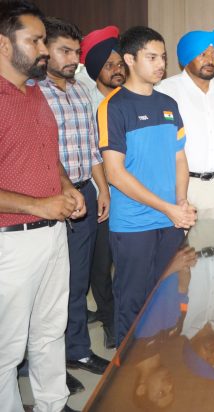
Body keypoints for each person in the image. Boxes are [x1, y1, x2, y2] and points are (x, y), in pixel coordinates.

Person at [0, 2, 85, 410]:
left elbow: (49, 156)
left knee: (51, 332)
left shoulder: (35, 93)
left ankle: (54, 404)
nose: (44, 50)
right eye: (34, 41)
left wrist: (67, 188)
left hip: (53, 234)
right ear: (4, 45)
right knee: (7, 348)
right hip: (11, 242)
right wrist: (39, 205)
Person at [98, 26, 197, 346]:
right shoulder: (114, 106)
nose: (161, 64)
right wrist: (169, 208)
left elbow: (180, 159)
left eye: (163, 57)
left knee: (167, 296)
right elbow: (115, 173)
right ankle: (131, 366)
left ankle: (160, 358)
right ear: (129, 59)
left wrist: (181, 202)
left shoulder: (168, 104)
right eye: (152, 57)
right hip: (134, 224)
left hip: (170, 220)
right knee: (133, 302)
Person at [38, 16, 112, 390]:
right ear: (44, 50)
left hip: (86, 193)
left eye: (76, 52)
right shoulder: (33, 93)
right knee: (50, 287)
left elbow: (93, 149)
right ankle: (45, 364)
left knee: (77, 280)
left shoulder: (82, 91)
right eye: (64, 51)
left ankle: (78, 350)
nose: (73, 59)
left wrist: (103, 189)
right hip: (48, 200)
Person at [157, 27, 214, 219]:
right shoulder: (165, 91)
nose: (210, 60)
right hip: (180, 187)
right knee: (181, 239)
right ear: (186, 57)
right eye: (203, 54)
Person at [80, 24, 124, 350]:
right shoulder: (87, 103)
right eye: (110, 65)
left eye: (120, 63)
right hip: (102, 196)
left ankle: (125, 315)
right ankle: (110, 321)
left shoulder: (131, 99)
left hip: (132, 195)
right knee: (101, 266)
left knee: (128, 262)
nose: (117, 70)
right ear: (96, 70)